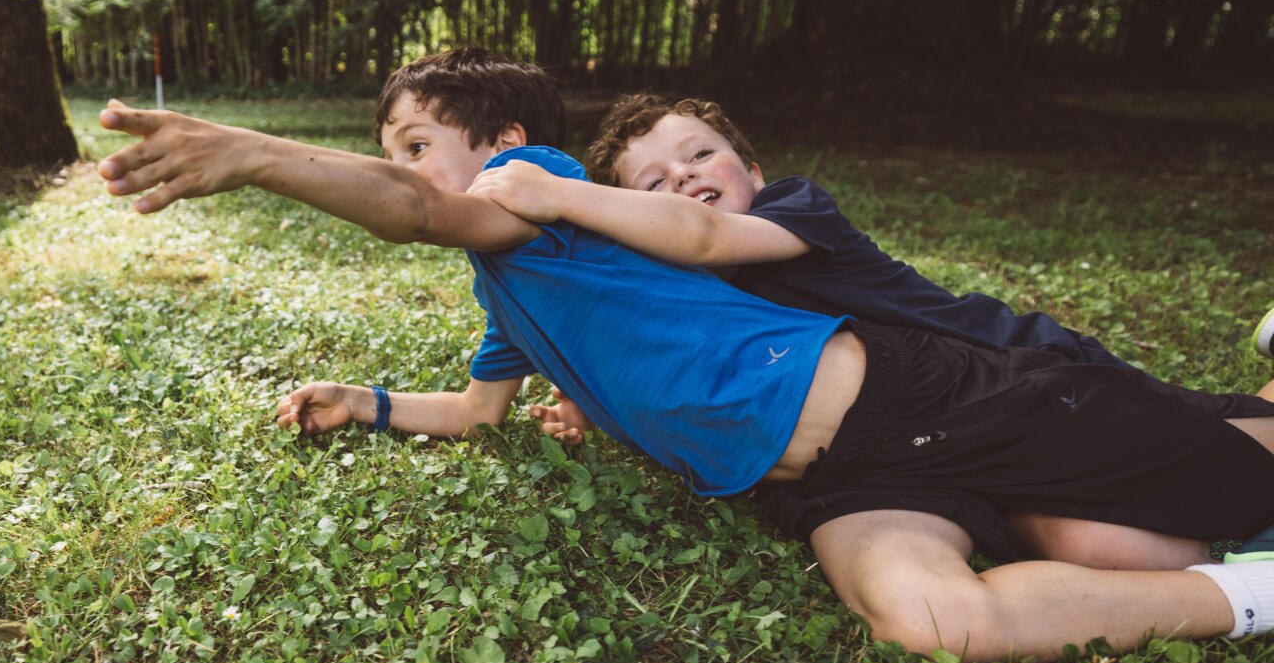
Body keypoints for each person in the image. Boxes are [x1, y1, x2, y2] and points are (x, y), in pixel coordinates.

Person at [94, 49, 1274, 662]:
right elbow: (479, 410)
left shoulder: (536, 194)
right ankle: (1247, 594)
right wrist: (372, 402)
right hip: (836, 479)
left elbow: (422, 208)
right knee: (934, 624)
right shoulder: (508, 282)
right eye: (393, 150)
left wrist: (248, 152)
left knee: (1218, 486)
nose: (403, 166)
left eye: (416, 143)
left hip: (922, 394)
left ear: (506, 146)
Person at [467, 91, 1274, 572]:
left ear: (751, 169)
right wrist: (581, 400)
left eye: (700, 155)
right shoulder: (693, 287)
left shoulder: (793, 210)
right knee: (1092, 531)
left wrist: (563, 196)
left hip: (1025, 367)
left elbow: (701, 235)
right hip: (943, 435)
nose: (681, 180)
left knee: (1227, 434)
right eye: (653, 182)